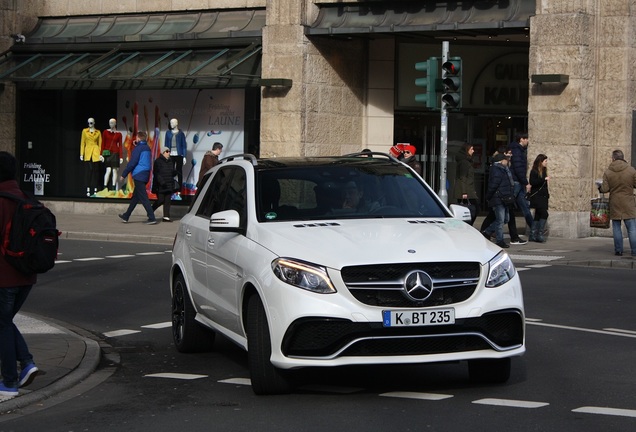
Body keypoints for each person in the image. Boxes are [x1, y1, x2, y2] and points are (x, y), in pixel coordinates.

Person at [0, 151, 40, 398]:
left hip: (4, 277)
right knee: (4, 322)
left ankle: (10, 381)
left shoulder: (1, 200)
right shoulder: (26, 198)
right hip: (27, 276)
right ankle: (26, 363)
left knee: (2, 325)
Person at [598, 149, 636, 256]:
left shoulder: (608, 172)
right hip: (628, 202)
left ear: (613, 158)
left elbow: (605, 189)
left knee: (616, 227)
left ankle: (618, 250)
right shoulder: (631, 170)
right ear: (623, 158)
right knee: (632, 228)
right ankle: (634, 250)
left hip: (615, 202)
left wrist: (600, 187)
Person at [118, 131, 157, 224]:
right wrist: (137, 145)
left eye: (136, 138)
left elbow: (132, 163)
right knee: (136, 197)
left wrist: (124, 174)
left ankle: (152, 217)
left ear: (138, 138)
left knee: (143, 197)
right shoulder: (147, 148)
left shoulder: (138, 149)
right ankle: (126, 216)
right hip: (145, 174)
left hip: (139, 174)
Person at [482, 152, 515, 248]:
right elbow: (493, 185)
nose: (507, 161)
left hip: (504, 197)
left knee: (506, 219)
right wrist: (488, 197)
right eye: (506, 160)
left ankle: (487, 232)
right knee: (500, 220)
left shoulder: (504, 169)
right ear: (501, 161)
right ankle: (500, 240)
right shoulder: (497, 170)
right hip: (498, 198)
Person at [508, 132, 535, 242]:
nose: (528, 141)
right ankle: (488, 230)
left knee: (525, 207)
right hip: (516, 182)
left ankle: (534, 230)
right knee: (507, 207)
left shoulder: (518, 150)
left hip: (518, 182)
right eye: (526, 139)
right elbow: (519, 168)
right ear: (521, 139)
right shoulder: (517, 151)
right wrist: (525, 182)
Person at [454, 142, 479, 225]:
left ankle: (467, 226)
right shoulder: (464, 162)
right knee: (473, 209)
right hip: (466, 191)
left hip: (468, 189)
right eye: (471, 149)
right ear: (466, 150)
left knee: (472, 209)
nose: (473, 151)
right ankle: (467, 226)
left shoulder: (467, 161)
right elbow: (463, 177)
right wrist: (464, 192)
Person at [528, 154, 550, 242]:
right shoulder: (534, 171)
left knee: (538, 215)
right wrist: (544, 179)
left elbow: (545, 186)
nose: (546, 163)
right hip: (537, 196)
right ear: (541, 162)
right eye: (545, 161)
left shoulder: (544, 170)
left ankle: (533, 234)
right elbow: (533, 182)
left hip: (543, 196)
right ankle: (539, 234)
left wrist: (547, 194)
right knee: (544, 214)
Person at [152, 147, 178, 222]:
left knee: (167, 201)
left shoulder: (170, 161)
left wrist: (175, 172)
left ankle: (166, 217)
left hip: (169, 184)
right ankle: (150, 210)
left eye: (169, 151)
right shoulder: (158, 161)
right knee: (160, 200)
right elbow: (156, 173)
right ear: (163, 152)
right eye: (167, 151)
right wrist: (161, 181)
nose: (169, 153)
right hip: (161, 185)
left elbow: (171, 172)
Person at [80, 117, 102, 197]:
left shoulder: (98, 132)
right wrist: (81, 154)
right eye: (88, 123)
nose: (90, 124)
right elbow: (82, 143)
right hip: (88, 152)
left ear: (94, 123)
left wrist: (100, 154)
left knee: (96, 172)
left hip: (95, 152)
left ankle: (95, 188)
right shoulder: (84, 131)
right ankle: (88, 188)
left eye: (91, 123)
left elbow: (100, 144)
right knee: (88, 172)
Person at [165, 118, 187, 192]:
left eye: (172, 123)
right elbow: (166, 145)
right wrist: (165, 154)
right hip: (170, 154)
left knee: (179, 171)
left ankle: (180, 189)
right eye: (170, 123)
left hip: (179, 154)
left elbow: (184, 145)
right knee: (170, 171)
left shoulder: (181, 134)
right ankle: (170, 187)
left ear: (176, 123)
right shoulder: (168, 133)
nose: (171, 124)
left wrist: (184, 156)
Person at [101, 118, 123, 191]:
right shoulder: (105, 132)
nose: (111, 124)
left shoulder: (118, 134)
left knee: (114, 170)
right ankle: (105, 187)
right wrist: (101, 154)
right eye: (110, 123)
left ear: (115, 123)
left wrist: (121, 157)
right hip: (108, 153)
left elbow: (120, 146)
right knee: (108, 170)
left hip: (115, 153)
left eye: (112, 123)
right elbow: (103, 143)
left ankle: (113, 187)